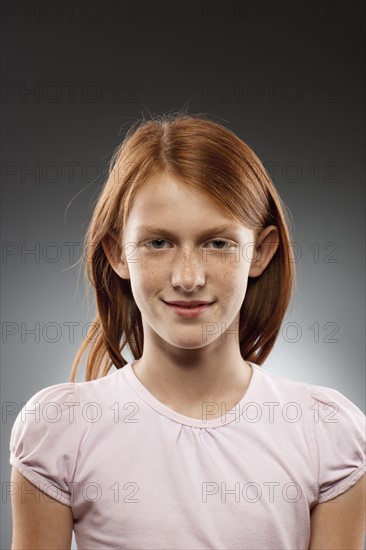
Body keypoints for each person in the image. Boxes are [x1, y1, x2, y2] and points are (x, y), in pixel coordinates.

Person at [9, 112, 365, 549]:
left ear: (261, 252)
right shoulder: (61, 428)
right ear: (118, 253)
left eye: (218, 243)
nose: (188, 277)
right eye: (158, 243)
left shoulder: (327, 432)